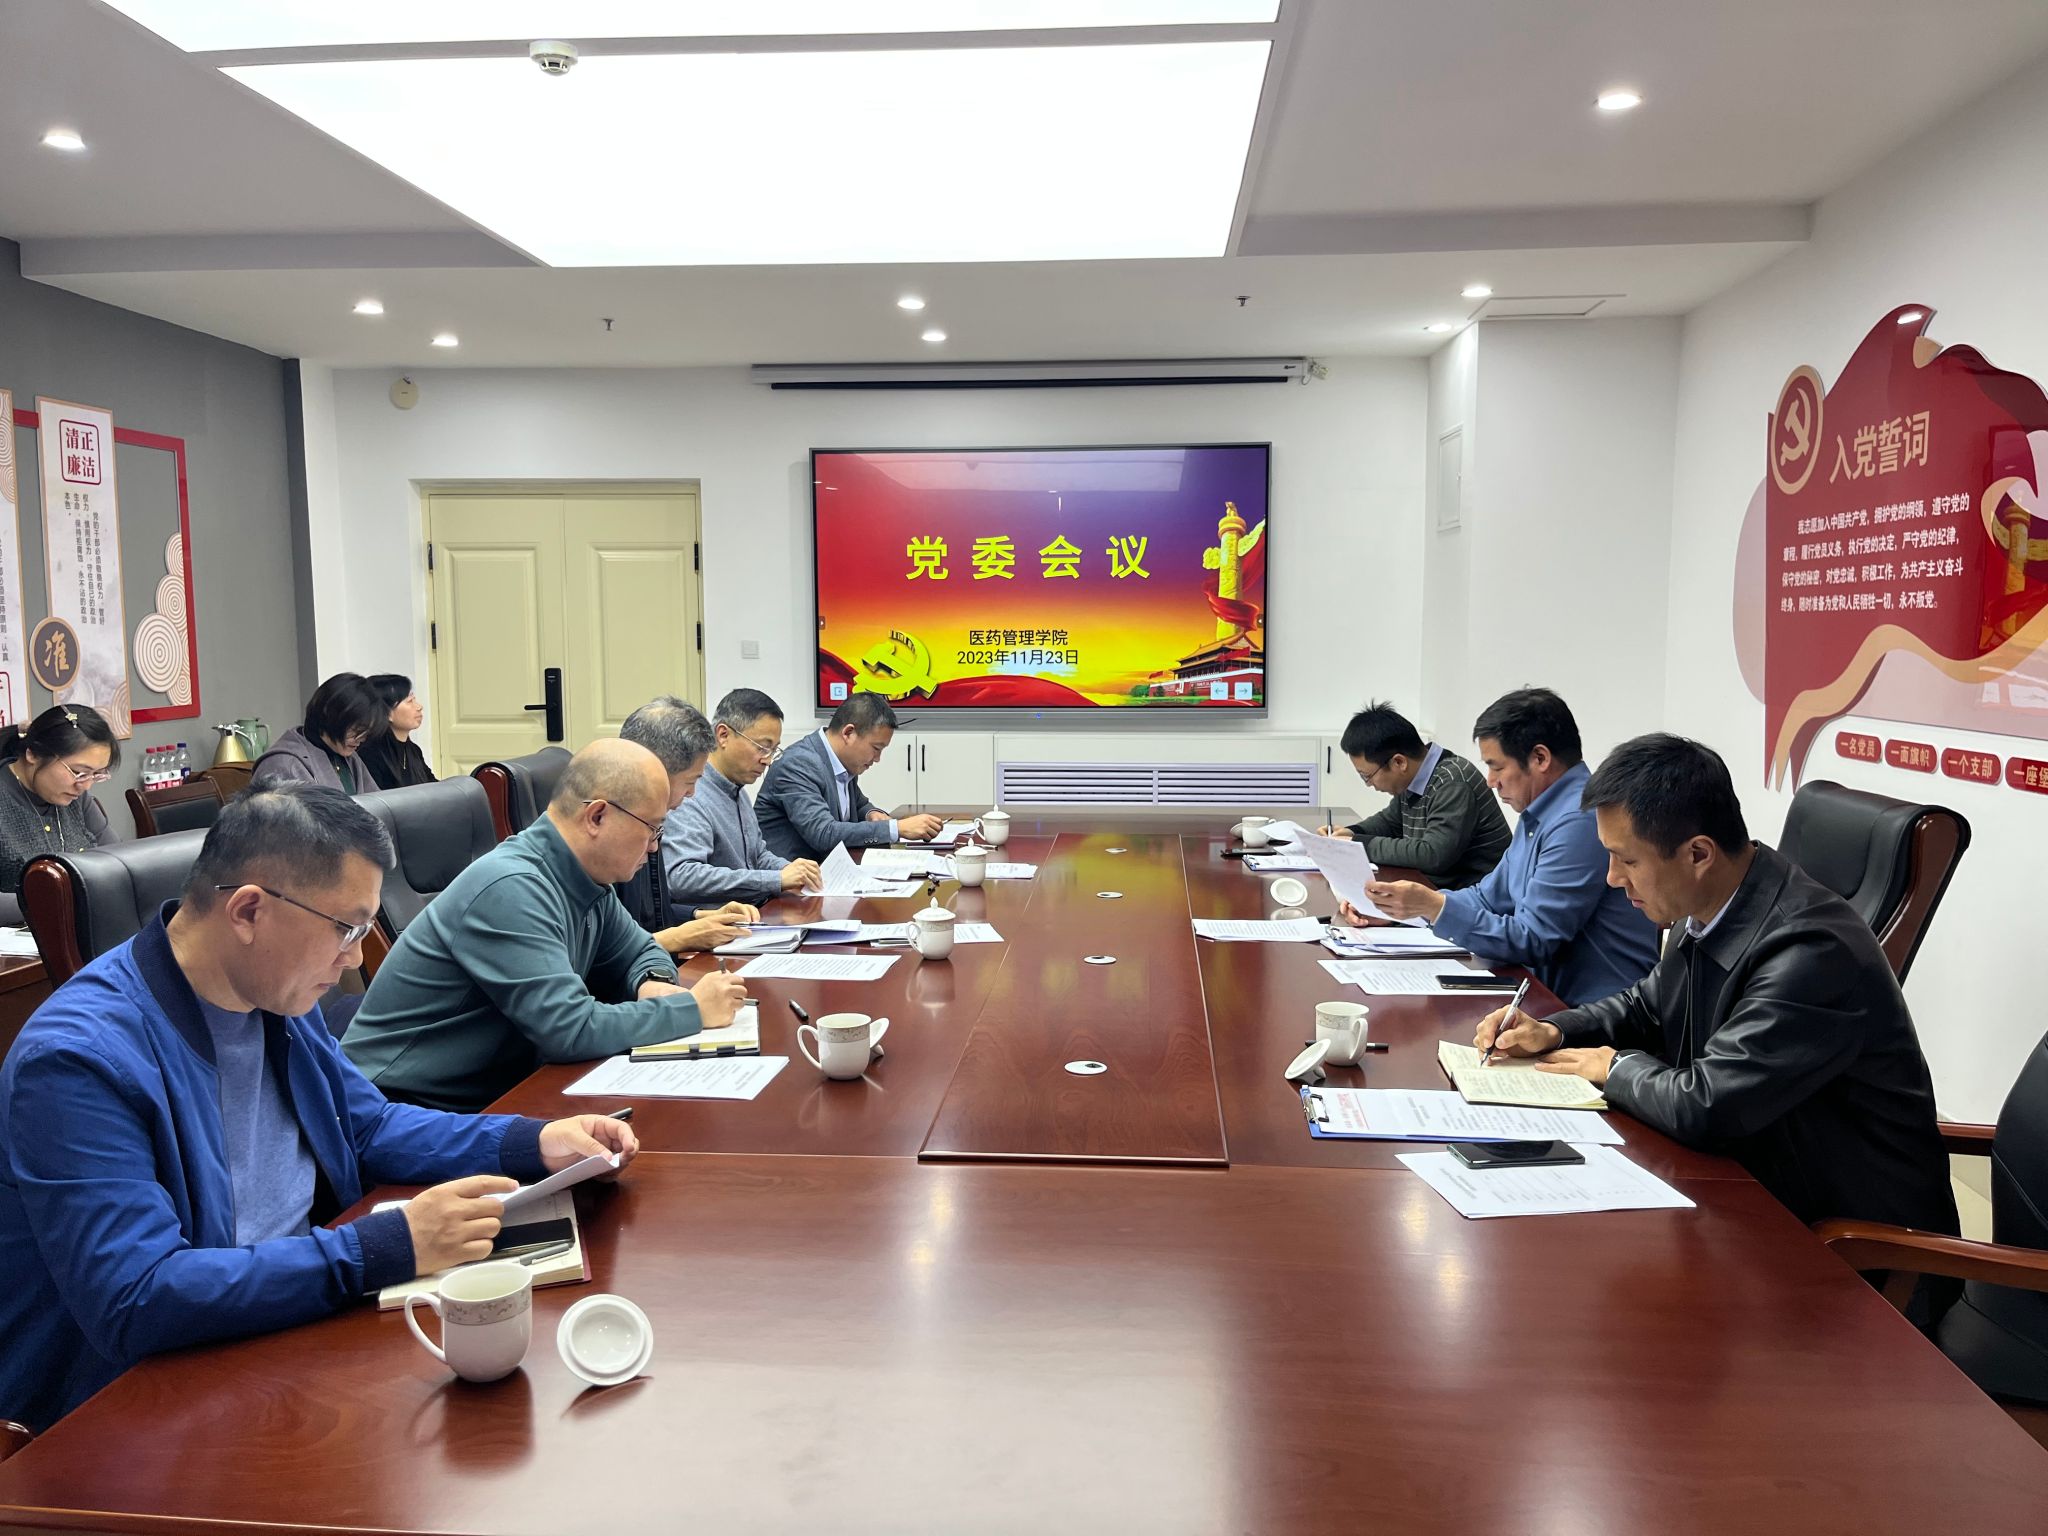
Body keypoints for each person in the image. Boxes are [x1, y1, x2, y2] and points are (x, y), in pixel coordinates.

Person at [0, 782, 639, 1433]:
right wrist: (382, 1248)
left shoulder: (273, 991)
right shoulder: (78, 1060)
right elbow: (136, 1298)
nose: (356, 956)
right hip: (135, 1404)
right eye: (346, 927)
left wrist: (531, 1143)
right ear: (248, 911)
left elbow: (368, 1126)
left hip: (285, 1314)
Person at [1476, 733, 1959, 1237]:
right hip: (1753, 1184)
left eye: (1628, 860)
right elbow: (1648, 1005)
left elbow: (1706, 1104)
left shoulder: (1812, 950)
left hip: (1845, 1239)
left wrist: (1614, 1067)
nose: (1613, 878)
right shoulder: (1709, 907)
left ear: (1698, 854)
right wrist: (1554, 1031)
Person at [343, 739, 746, 1112]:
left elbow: (641, 950)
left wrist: (651, 982)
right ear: (597, 816)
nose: (655, 845)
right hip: (401, 1110)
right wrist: (690, 1009)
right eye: (652, 828)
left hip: (494, 1092)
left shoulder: (584, 877)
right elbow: (570, 1030)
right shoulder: (512, 887)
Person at [1348, 687, 1657, 1006]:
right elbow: (1487, 897)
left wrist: (1433, 907)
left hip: (1592, 1011)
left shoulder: (1578, 820)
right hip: (1543, 994)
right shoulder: (1541, 809)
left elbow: (1534, 939)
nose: (1490, 781)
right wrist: (1404, 909)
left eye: (1497, 767)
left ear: (1540, 758)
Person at [615, 695, 758, 954]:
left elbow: (649, 916)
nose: (692, 794)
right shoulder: (614, 836)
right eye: (690, 782)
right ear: (654, 770)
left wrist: (699, 915)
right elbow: (603, 952)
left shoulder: (649, 824)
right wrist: (678, 937)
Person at [1318, 700, 1509, 889]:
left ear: (1399, 762)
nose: (1369, 784)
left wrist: (1358, 844)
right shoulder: (1415, 777)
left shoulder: (1453, 783)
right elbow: (1390, 822)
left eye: (1367, 776)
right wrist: (1351, 832)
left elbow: (1433, 855)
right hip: (1435, 887)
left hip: (1474, 896)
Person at [662, 689, 823, 908]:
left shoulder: (737, 789)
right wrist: (775, 880)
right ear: (723, 735)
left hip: (753, 912)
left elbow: (757, 856)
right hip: (719, 922)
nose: (767, 760)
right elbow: (681, 876)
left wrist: (790, 869)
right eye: (762, 747)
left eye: (774, 750)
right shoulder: (691, 795)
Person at [756, 691, 943, 861]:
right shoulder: (799, 764)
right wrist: (897, 828)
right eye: (876, 748)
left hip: (830, 871)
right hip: (790, 880)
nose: (877, 759)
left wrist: (871, 814)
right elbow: (823, 833)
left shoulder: (842, 762)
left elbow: (858, 804)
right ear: (848, 733)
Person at [0, 704, 119, 924]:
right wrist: (61, 900)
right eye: (78, 772)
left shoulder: (76, 798)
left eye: (96, 775)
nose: (85, 785)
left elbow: (117, 860)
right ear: (32, 753)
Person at [252, 673, 385, 794]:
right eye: (358, 730)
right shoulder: (282, 764)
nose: (361, 739)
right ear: (331, 715)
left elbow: (377, 805)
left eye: (367, 732)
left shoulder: (349, 757)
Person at [356, 674, 437, 790]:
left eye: (414, 699)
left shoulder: (414, 750)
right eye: (410, 701)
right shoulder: (369, 753)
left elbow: (434, 788)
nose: (419, 707)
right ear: (387, 712)